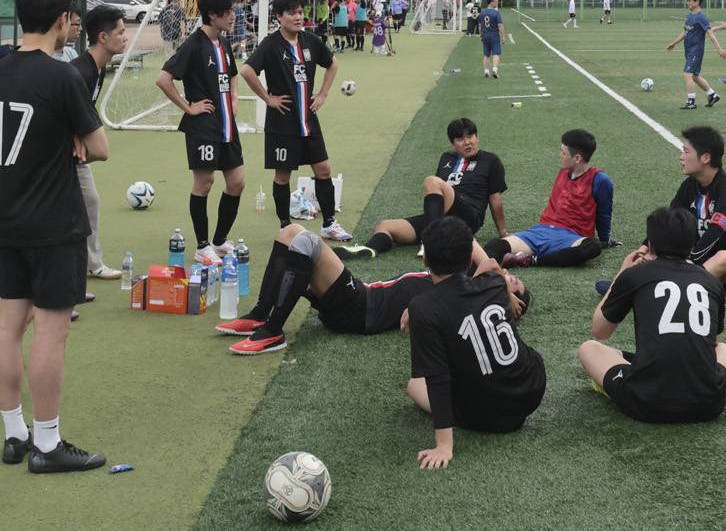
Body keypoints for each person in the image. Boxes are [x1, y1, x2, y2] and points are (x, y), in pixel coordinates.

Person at [0, 0, 110, 472]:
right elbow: (99, 147)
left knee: (8, 324)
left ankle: (15, 434)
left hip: (9, 217)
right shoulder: (63, 77)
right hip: (54, 220)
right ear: (62, 19)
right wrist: (77, 138)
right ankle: (48, 443)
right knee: (51, 332)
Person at [218, 221, 520, 354]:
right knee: (289, 233)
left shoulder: (472, 292)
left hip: (361, 306)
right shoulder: (458, 278)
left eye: (516, 281)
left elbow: (491, 266)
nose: (510, 275)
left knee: (305, 241)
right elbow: (480, 254)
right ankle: (260, 314)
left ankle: (273, 331)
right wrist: (507, 285)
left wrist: (506, 290)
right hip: (358, 301)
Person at [403, 217, 547, 468]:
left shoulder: (423, 308)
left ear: (425, 260)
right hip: (531, 391)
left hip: (487, 416)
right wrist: (506, 292)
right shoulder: (492, 281)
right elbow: (491, 264)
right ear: (469, 260)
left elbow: (437, 379)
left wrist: (444, 445)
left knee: (414, 385)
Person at [580, 206, 726, 423]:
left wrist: (622, 272)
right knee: (724, 348)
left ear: (650, 245)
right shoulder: (712, 282)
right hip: (708, 405)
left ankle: (628, 373)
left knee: (589, 348)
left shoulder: (635, 275)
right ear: (692, 245)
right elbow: (713, 343)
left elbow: (600, 331)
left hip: (646, 404)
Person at [241, 0, 348, 239]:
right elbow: (247, 71)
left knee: (323, 169)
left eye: (300, 12)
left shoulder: (310, 40)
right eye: (292, 13)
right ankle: (285, 225)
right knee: (282, 175)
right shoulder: (270, 44)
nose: (298, 17)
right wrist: (268, 98)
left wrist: (322, 94)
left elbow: (332, 63)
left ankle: (329, 224)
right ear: (279, 17)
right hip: (282, 122)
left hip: (309, 120)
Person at [154, 0, 247, 262]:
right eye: (228, 12)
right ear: (212, 14)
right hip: (203, 127)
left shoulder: (222, 42)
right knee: (205, 183)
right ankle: (202, 246)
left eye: (233, 11)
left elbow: (232, 74)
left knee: (238, 183)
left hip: (227, 126)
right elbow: (163, 79)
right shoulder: (194, 44)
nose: (233, 16)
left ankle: (219, 241)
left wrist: (234, 98)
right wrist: (188, 107)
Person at [344, 117, 507, 257]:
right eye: (460, 139)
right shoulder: (446, 158)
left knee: (431, 181)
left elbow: (495, 198)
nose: (467, 142)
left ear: (477, 137)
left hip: (468, 217)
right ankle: (369, 249)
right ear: (452, 144)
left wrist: (503, 232)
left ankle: (429, 243)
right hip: (439, 219)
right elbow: (437, 196)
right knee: (384, 226)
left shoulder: (490, 160)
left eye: (470, 136)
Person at [484, 129, 611, 269]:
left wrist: (604, 240)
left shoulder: (600, 180)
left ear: (577, 158)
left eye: (564, 152)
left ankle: (530, 261)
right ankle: (470, 273)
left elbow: (604, 214)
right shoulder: (563, 171)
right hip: (541, 231)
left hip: (572, 237)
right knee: (497, 245)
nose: (560, 155)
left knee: (592, 247)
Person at [67, 5, 128, 282]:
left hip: (74, 148)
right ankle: (74, 265)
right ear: (102, 37)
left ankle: (91, 263)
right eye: (121, 32)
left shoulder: (98, 69)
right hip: (61, 148)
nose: (125, 37)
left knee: (89, 201)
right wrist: (74, 138)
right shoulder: (79, 72)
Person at [666, 124, 726, 291]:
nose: (681, 157)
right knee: (656, 251)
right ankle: (621, 286)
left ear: (705, 158)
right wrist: (649, 248)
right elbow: (669, 221)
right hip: (703, 258)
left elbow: (716, 230)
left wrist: (691, 259)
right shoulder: (689, 185)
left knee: (723, 258)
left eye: (686, 152)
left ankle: (679, 289)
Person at [665, 0, 725, 109]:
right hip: (689, 50)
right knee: (695, 77)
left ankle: (691, 102)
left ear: (697, 2)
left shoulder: (701, 17)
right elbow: (685, 31)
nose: (687, 3)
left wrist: (719, 49)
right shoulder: (690, 16)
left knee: (687, 74)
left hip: (696, 51)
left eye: (689, 1)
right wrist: (674, 43)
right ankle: (712, 95)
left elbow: (710, 33)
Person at [477, 0, 508, 79]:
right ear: (491, 2)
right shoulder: (496, 13)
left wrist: (481, 35)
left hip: (486, 35)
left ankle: (486, 72)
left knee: (486, 54)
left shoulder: (482, 13)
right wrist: (503, 36)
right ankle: (494, 70)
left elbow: (480, 26)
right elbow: (500, 25)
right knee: (495, 53)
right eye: (496, 1)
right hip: (494, 35)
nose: (497, 3)